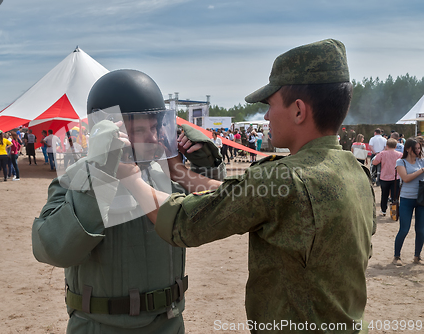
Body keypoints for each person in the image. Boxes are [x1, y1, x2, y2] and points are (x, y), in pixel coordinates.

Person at [116, 39, 376, 333]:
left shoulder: (283, 177)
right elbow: (242, 197)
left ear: (299, 111)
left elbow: (182, 223)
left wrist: (131, 179)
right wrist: (180, 173)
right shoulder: (357, 173)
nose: (265, 116)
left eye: (270, 105)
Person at [32, 69, 222, 333]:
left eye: (156, 128)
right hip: (101, 326)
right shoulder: (74, 178)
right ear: (109, 129)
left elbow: (216, 205)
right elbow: (53, 249)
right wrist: (98, 177)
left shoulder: (161, 174)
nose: (154, 139)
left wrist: (205, 160)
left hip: (168, 323)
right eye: (142, 129)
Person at [394, 138, 424, 266]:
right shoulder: (401, 162)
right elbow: (405, 178)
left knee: (421, 230)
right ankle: (397, 256)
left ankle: (417, 256)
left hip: (421, 199)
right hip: (406, 198)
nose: (418, 151)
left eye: (419, 148)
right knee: (404, 229)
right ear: (407, 149)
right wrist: (422, 170)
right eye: (415, 148)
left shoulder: (422, 161)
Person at [372, 138, 402, 216]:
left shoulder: (382, 153)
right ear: (396, 146)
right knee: (395, 196)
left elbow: (375, 162)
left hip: (384, 177)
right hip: (395, 177)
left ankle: (383, 210)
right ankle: (394, 212)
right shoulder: (400, 154)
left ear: (387, 146)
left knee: (384, 195)